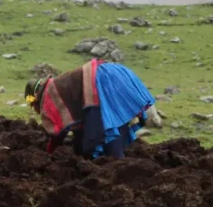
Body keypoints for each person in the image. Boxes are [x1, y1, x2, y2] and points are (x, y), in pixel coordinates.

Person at [25, 59, 155, 158]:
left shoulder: (48, 94)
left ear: (36, 97)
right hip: (117, 74)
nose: (35, 110)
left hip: (104, 81)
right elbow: (77, 126)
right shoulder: (62, 85)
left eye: (32, 104)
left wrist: (48, 153)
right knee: (109, 133)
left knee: (100, 144)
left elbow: (58, 132)